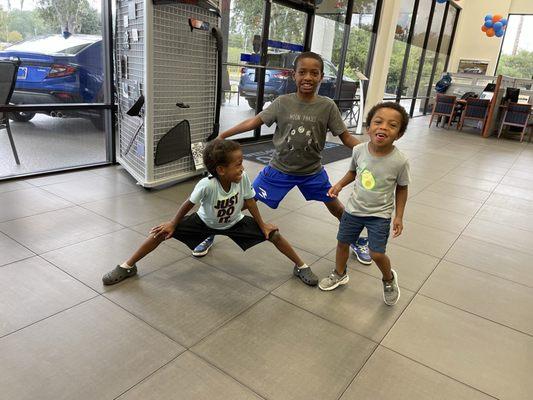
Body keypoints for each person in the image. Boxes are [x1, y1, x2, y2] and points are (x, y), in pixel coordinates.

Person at [192, 51, 371, 271]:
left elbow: (345, 137)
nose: (307, 77)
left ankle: (357, 239)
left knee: (336, 207)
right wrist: (224, 135)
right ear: (293, 76)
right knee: (242, 203)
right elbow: (254, 122)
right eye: (302, 72)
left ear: (321, 77)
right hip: (278, 171)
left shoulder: (327, 106)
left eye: (314, 73)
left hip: (312, 172)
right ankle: (209, 232)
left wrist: (368, 152)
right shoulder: (282, 102)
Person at [102, 139, 317, 286]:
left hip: (235, 222)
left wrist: (263, 226)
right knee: (160, 233)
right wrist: (172, 224)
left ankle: (301, 266)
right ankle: (128, 266)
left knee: (275, 235)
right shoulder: (206, 185)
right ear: (221, 170)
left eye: (242, 163)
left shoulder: (242, 179)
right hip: (204, 222)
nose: (242, 168)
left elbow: (250, 202)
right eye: (238, 164)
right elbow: (188, 204)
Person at [318, 102, 410, 306]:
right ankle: (339, 274)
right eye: (378, 122)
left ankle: (388, 279)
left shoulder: (400, 161)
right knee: (342, 243)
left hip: (380, 214)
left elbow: (402, 188)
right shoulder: (359, 150)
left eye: (392, 125)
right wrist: (339, 185)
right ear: (369, 127)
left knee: (376, 253)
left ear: (399, 134)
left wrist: (399, 216)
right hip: (353, 210)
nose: (383, 127)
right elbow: (353, 172)